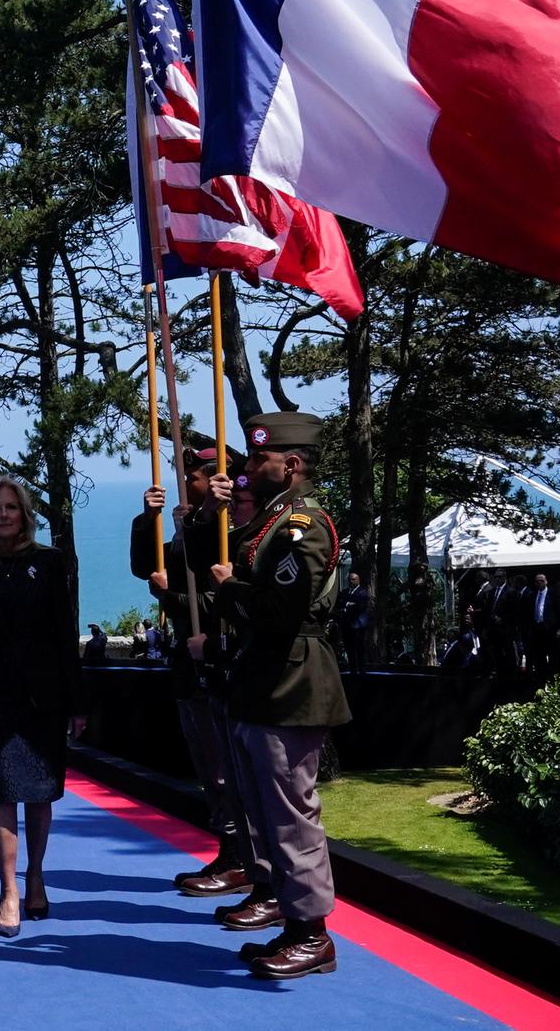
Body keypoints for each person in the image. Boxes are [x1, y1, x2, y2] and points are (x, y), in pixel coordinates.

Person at [205, 413, 352, 980]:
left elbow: (278, 610)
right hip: (261, 682)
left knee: (291, 815)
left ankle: (313, 933)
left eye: (256, 460)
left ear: (290, 465)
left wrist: (229, 591)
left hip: (291, 682)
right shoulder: (270, 522)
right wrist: (205, 515)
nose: (246, 468)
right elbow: (216, 554)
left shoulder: (302, 526)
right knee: (264, 812)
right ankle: (291, 919)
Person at [0, 475, 86, 937]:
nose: (5, 515)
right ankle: (8, 889)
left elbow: (65, 634)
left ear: (25, 514)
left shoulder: (48, 561)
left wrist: (77, 700)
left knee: (40, 792)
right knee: (2, 791)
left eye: (12, 507)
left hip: (44, 696)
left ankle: (36, 874)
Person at [136, 453, 251, 900]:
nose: (186, 485)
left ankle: (240, 856)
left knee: (227, 771)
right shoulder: (196, 528)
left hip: (222, 662)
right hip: (191, 665)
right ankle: (231, 851)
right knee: (210, 769)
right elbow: (150, 564)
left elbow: (215, 598)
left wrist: (174, 600)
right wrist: (152, 520)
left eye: (195, 478)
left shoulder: (233, 534)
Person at [336, 572, 371, 674]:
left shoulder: (362, 592)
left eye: (353, 579)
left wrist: (346, 606)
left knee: (359, 648)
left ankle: (362, 670)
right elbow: (339, 603)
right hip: (346, 625)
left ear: (358, 580)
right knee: (349, 648)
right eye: (350, 579)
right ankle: (352, 670)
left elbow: (359, 607)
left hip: (358, 625)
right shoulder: (344, 592)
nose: (351, 581)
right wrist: (348, 604)